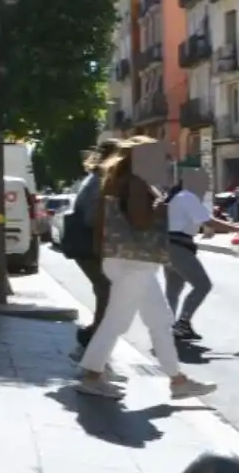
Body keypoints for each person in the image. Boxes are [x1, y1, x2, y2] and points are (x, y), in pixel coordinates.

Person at [75, 138, 216, 400]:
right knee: (116, 322)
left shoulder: (117, 180)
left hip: (127, 261)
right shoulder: (136, 183)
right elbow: (140, 222)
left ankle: (178, 381)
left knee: (160, 321)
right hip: (134, 264)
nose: (164, 163)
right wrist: (160, 211)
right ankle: (92, 376)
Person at [163, 168, 239, 341]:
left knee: (173, 290)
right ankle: (183, 323)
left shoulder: (178, 197)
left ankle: (165, 326)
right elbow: (208, 221)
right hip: (179, 246)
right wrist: (236, 228)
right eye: (205, 182)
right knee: (202, 285)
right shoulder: (187, 196)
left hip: (169, 245)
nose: (207, 186)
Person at [65, 141, 120, 360]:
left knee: (106, 293)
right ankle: (92, 344)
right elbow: (93, 219)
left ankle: (92, 342)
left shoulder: (96, 178)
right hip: (90, 246)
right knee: (108, 294)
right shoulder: (100, 181)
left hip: (87, 246)